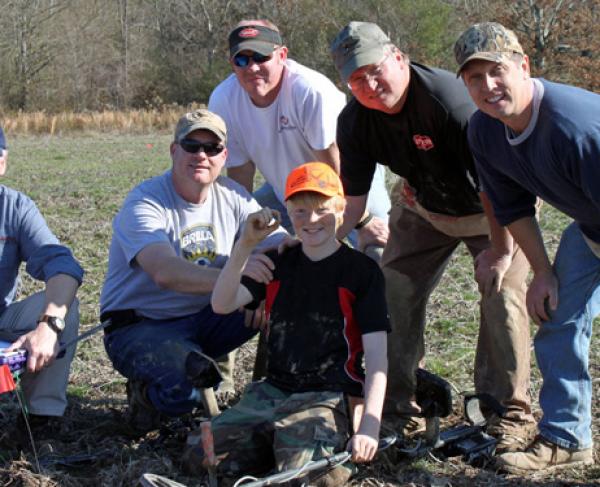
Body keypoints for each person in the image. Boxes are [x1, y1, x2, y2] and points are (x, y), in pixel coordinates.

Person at [329, 21, 533, 450]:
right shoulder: (354, 121)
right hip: (425, 208)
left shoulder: (449, 103)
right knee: (390, 290)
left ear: (398, 58)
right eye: (355, 78)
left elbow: (495, 187)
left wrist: (500, 251)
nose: (369, 84)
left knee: (502, 291)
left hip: (495, 206)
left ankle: (506, 413)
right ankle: (397, 406)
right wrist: (315, 247)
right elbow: (352, 204)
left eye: (374, 70)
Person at [208, 18, 391, 396]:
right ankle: (220, 373)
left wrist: (363, 220)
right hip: (285, 190)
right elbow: (239, 184)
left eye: (260, 58)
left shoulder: (310, 91)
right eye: (241, 60)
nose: (252, 68)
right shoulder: (225, 99)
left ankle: (382, 377)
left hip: (346, 183)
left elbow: (338, 171)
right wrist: (247, 247)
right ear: (232, 64)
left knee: (370, 259)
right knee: (234, 249)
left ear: (282, 56)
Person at [183, 162, 389, 486]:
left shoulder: (362, 273)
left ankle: (304, 449)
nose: (311, 220)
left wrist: (369, 428)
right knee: (199, 456)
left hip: (326, 394)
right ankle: (276, 446)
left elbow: (377, 359)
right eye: (300, 211)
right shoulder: (278, 262)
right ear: (289, 212)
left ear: (341, 208)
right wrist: (245, 246)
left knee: (309, 479)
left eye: (322, 209)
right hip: (272, 391)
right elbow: (221, 304)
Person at [455, 21, 599, 473]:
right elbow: (512, 206)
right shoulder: (485, 131)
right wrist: (542, 272)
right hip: (591, 226)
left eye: (497, 71)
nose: (488, 86)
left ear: (524, 66)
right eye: (474, 78)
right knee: (556, 315)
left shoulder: (576, 127)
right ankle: (567, 437)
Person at [99, 109, 286, 435]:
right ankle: (146, 397)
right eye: (192, 145)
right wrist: (242, 280)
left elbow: (282, 245)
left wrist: (270, 290)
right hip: (141, 327)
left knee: (287, 301)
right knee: (187, 391)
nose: (202, 155)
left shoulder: (234, 196)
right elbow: (164, 272)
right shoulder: (146, 203)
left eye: (212, 148)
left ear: (224, 156)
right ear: (174, 150)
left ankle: (275, 393)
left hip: (205, 319)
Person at [0, 126, 83, 436]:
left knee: (65, 307)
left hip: (2, 317)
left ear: (3, 163)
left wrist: (48, 326)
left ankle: (40, 420)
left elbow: (61, 264)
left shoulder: (16, 208)